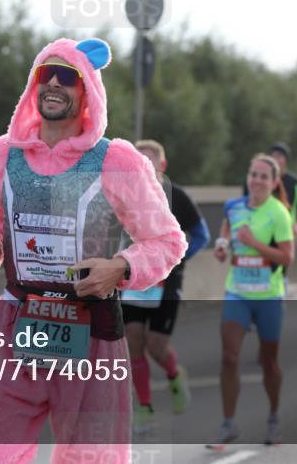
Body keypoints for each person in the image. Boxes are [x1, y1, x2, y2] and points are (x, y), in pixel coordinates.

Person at [0, 38, 187, 464]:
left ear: (87, 91)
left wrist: (120, 267)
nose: (53, 83)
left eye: (66, 76)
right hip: (16, 323)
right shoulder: (2, 155)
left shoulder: (117, 161)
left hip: (90, 327)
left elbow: (167, 242)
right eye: (45, 73)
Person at [121, 139, 210, 434]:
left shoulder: (177, 197)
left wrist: (176, 259)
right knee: (134, 341)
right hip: (134, 281)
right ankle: (144, 408)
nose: (144, 166)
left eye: (150, 161)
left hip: (167, 283)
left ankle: (174, 374)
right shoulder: (123, 195)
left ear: (162, 165)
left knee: (156, 346)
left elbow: (202, 235)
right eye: (139, 161)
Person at [212, 154, 294, 448]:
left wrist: (253, 243)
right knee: (229, 357)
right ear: (247, 178)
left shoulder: (279, 213)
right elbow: (226, 231)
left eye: (263, 177)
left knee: (269, 362)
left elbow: (287, 258)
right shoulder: (233, 207)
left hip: (268, 296)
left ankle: (273, 418)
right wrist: (222, 247)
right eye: (253, 175)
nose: (257, 181)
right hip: (237, 293)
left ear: (273, 182)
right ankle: (228, 423)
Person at [243, 142, 297, 241]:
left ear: (274, 184)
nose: (258, 181)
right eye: (272, 156)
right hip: (260, 233)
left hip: (287, 234)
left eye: (279, 156)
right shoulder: (252, 185)